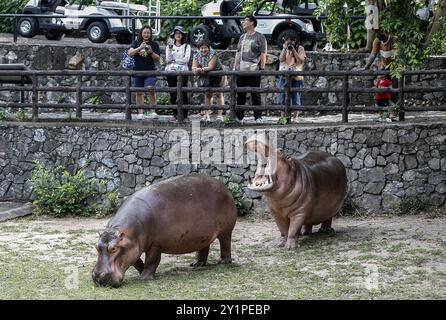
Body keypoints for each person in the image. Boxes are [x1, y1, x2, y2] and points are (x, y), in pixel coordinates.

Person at [233, 15, 267, 123]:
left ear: (252, 22)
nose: (243, 22)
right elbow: (238, 53)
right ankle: (239, 117)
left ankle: (258, 116)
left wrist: (262, 68)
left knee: (255, 93)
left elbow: (263, 53)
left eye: (246, 20)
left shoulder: (260, 37)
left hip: (253, 68)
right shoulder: (242, 37)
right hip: (242, 68)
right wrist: (235, 67)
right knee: (241, 93)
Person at [128, 25, 161, 120]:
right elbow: (130, 53)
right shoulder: (136, 42)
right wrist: (139, 48)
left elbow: (157, 58)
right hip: (137, 71)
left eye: (148, 33)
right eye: (144, 33)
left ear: (151, 34)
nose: (146, 34)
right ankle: (140, 112)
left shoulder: (154, 44)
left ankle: (153, 111)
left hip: (150, 71)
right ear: (141, 33)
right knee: (139, 92)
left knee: (151, 89)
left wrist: (151, 52)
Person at [192, 39, 225, 122]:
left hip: (217, 73)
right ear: (199, 48)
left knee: (218, 93)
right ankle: (207, 114)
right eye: (201, 48)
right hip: (205, 74)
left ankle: (220, 115)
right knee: (207, 94)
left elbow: (211, 67)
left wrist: (199, 69)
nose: (203, 50)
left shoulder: (213, 53)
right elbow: (193, 66)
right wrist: (195, 69)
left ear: (209, 48)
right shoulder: (196, 54)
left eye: (205, 48)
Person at [165, 25, 191, 120]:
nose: (178, 35)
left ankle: (185, 114)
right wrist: (170, 48)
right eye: (176, 33)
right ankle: (175, 113)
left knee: (183, 92)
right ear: (174, 35)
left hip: (183, 71)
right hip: (171, 71)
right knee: (172, 92)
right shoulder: (169, 46)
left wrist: (175, 61)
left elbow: (186, 59)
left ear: (183, 35)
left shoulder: (187, 46)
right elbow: (168, 59)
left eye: (180, 33)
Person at [278, 35, 306, 122]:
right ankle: (283, 117)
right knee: (282, 96)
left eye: (292, 40)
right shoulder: (285, 48)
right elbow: (281, 59)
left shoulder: (300, 48)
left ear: (295, 40)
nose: (290, 42)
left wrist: (293, 50)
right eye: (287, 40)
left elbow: (300, 61)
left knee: (296, 97)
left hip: (297, 77)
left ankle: (295, 117)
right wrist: (284, 48)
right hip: (285, 76)